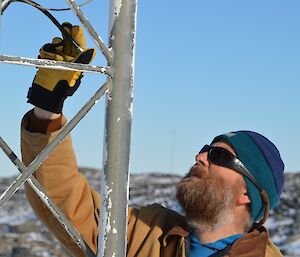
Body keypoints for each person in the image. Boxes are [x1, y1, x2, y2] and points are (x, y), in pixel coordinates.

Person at [21, 22, 285, 257]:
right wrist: (47, 107)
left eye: (220, 156)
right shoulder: (149, 232)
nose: (200, 156)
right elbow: (65, 203)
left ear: (247, 194)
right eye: (206, 149)